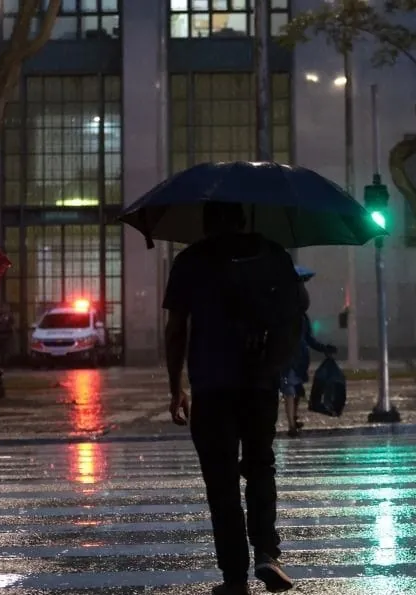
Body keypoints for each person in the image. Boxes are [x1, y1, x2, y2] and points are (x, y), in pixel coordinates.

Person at [163, 201, 305, 595]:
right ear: (244, 219)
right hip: (259, 383)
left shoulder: (191, 260)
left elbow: (176, 329)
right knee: (260, 465)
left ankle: (234, 578)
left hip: (211, 386)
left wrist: (176, 386)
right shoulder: (273, 254)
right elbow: (295, 315)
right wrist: (275, 365)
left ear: (206, 223)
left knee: (221, 481)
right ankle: (267, 553)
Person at [282, 267, 337, 438]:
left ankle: (294, 418)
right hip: (288, 358)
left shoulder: (302, 317)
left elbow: (309, 339)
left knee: (296, 390)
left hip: (299, 359)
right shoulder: (285, 316)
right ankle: (291, 424)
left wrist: (324, 348)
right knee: (289, 390)